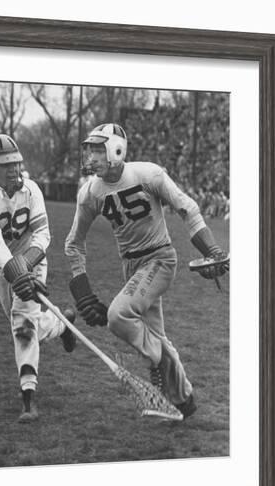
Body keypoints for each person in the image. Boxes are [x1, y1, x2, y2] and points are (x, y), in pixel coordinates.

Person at [65, 123, 228, 419]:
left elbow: (187, 208)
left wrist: (211, 250)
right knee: (157, 336)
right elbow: (73, 244)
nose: (90, 157)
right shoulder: (90, 192)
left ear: (116, 149)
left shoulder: (147, 174)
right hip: (131, 266)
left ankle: (155, 363)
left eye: (98, 150)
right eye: (89, 150)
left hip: (160, 259)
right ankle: (183, 400)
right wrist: (83, 293)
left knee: (118, 316)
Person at [0, 134, 76, 423]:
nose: (14, 169)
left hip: (33, 260)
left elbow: (43, 234)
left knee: (22, 325)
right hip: (3, 268)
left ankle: (28, 398)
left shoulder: (32, 190)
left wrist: (26, 265)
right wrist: (13, 269)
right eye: (6, 164)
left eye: (16, 163)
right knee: (24, 322)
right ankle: (62, 322)